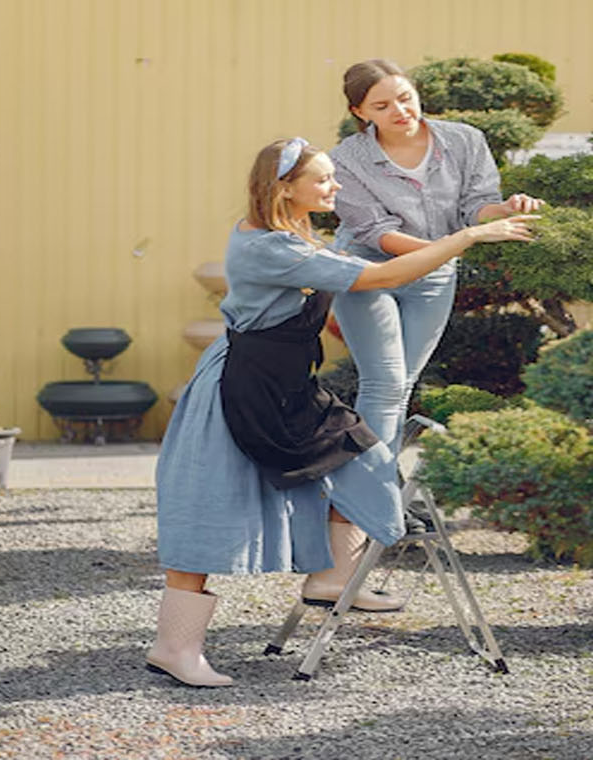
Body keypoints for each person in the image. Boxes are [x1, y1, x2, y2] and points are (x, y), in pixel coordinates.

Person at [148, 137, 536, 687]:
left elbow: (358, 264)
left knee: (352, 447)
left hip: (276, 385)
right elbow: (384, 276)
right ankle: (174, 648)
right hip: (238, 389)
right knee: (212, 509)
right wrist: (469, 235)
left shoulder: (286, 232)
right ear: (285, 188)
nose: (336, 187)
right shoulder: (272, 248)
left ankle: (331, 577)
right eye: (325, 180)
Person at [328, 59, 545, 465]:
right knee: (383, 383)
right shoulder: (345, 159)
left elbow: (475, 206)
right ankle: (371, 499)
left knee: (404, 383)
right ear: (359, 112)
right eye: (382, 106)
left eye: (406, 98)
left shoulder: (464, 140)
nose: (400, 111)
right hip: (369, 272)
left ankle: (381, 489)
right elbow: (378, 233)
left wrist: (503, 209)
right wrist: (452, 245)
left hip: (434, 275)